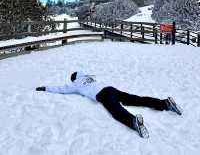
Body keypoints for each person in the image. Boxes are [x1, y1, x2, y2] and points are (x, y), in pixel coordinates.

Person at [36, 71, 182, 139]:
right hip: (111, 89)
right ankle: (164, 103)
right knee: (136, 99)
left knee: (115, 110)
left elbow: (61, 89)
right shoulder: (89, 77)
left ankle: (132, 121)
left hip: (103, 95)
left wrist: (45, 88)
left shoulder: (75, 84)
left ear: (74, 79)